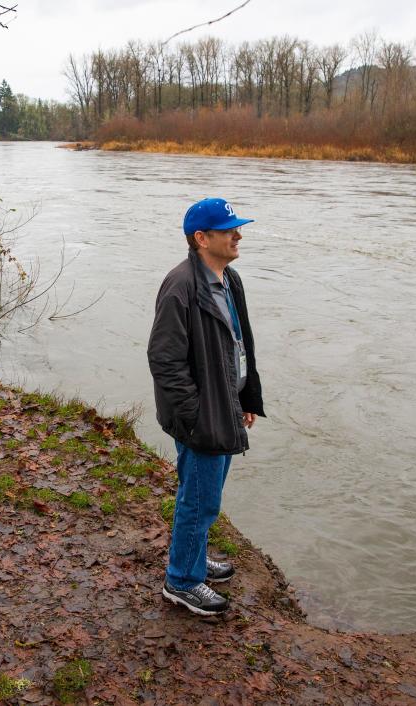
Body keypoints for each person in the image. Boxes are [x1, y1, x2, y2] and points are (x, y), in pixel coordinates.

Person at [147, 197, 265, 616]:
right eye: (228, 229)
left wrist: (244, 397)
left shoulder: (228, 279)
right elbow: (164, 359)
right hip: (202, 415)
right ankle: (181, 581)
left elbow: (239, 344)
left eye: (237, 227)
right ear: (202, 238)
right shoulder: (181, 285)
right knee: (199, 500)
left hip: (224, 405)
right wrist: (197, 415)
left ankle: (193, 560)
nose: (238, 235)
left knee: (205, 494)